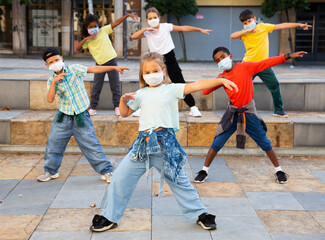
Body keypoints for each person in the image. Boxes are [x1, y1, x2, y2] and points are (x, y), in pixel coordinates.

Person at [90, 52, 238, 232]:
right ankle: (109, 216)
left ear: (163, 71)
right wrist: (123, 100)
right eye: (147, 72)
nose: (152, 74)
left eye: (155, 70)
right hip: (142, 147)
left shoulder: (172, 89)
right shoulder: (140, 93)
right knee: (119, 178)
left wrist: (220, 81)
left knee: (180, 181)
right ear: (142, 75)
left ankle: (200, 213)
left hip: (165, 146)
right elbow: (124, 113)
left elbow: (196, 85)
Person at [194, 46, 307, 184]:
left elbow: (267, 63)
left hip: (248, 114)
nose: (221, 61)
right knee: (217, 142)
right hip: (232, 114)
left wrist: (288, 56)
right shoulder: (222, 76)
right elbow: (205, 92)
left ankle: (279, 170)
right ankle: (204, 170)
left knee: (265, 143)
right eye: (217, 60)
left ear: (230, 56)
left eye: (223, 57)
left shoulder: (245, 67)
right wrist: (219, 80)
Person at [37, 47, 129, 183]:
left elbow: (94, 69)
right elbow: (50, 99)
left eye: (56, 60)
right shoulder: (51, 80)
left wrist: (113, 68)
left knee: (91, 144)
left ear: (61, 58)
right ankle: (50, 171)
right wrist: (55, 82)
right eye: (51, 62)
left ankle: (107, 171)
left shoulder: (74, 69)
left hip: (81, 116)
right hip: (63, 117)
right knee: (54, 143)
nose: (55, 63)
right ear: (47, 65)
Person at [131, 7, 212, 117]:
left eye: (155, 17)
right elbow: (133, 36)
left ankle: (193, 107)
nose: (153, 19)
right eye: (150, 18)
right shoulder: (147, 32)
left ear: (159, 18)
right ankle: (141, 107)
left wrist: (199, 29)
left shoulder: (166, 27)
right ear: (147, 20)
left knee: (179, 81)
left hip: (169, 56)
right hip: (155, 59)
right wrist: (145, 29)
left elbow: (183, 28)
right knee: (149, 82)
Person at [231, 9, 311, 117]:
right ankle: (233, 109)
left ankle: (278, 110)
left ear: (254, 19)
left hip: (264, 64)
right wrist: (246, 31)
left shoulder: (263, 27)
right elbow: (233, 36)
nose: (248, 24)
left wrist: (299, 25)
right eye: (245, 23)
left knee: (275, 85)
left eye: (249, 21)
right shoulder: (244, 33)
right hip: (248, 65)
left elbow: (282, 25)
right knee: (240, 88)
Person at [75, 13, 138, 116]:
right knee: (96, 87)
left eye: (95, 26)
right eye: (91, 27)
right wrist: (86, 39)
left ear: (98, 25)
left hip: (112, 61)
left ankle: (117, 107)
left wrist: (126, 16)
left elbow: (116, 23)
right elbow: (77, 48)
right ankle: (93, 108)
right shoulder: (88, 40)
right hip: (99, 65)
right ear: (87, 28)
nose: (94, 28)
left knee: (115, 86)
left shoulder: (103, 30)